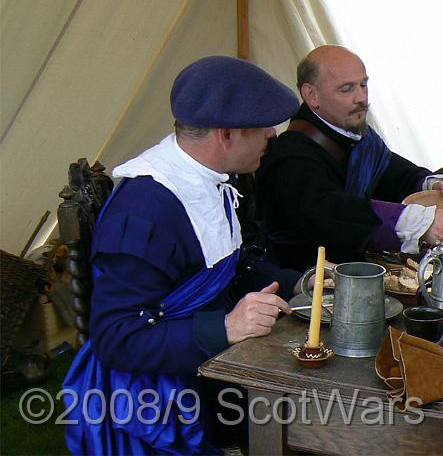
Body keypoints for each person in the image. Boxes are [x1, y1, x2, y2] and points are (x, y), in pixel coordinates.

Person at [62, 56, 301, 455]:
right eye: (263, 127)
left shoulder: (207, 180)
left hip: (208, 364)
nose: (272, 136)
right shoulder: (144, 212)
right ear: (226, 134)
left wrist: (300, 281)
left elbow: (228, 266)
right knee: (310, 411)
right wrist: (225, 326)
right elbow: (116, 338)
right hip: (158, 398)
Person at [256, 45, 443, 271]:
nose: (361, 98)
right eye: (347, 89)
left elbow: (393, 173)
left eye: (363, 84)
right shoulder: (291, 157)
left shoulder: (349, 134)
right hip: (304, 288)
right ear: (312, 95)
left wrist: (431, 185)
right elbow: (331, 212)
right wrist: (415, 222)